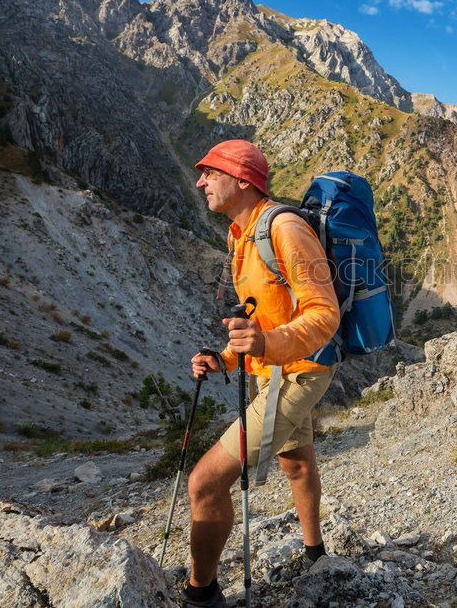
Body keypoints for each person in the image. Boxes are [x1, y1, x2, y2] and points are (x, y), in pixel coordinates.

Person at [183, 140, 341, 607]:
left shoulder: (286, 229)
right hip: (272, 369)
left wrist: (267, 345)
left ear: (243, 180)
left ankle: (202, 594)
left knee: (206, 482)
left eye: (210, 172)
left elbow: (324, 313)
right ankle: (316, 556)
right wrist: (227, 358)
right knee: (295, 461)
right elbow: (262, 316)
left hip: (302, 370)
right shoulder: (240, 236)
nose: (200, 181)